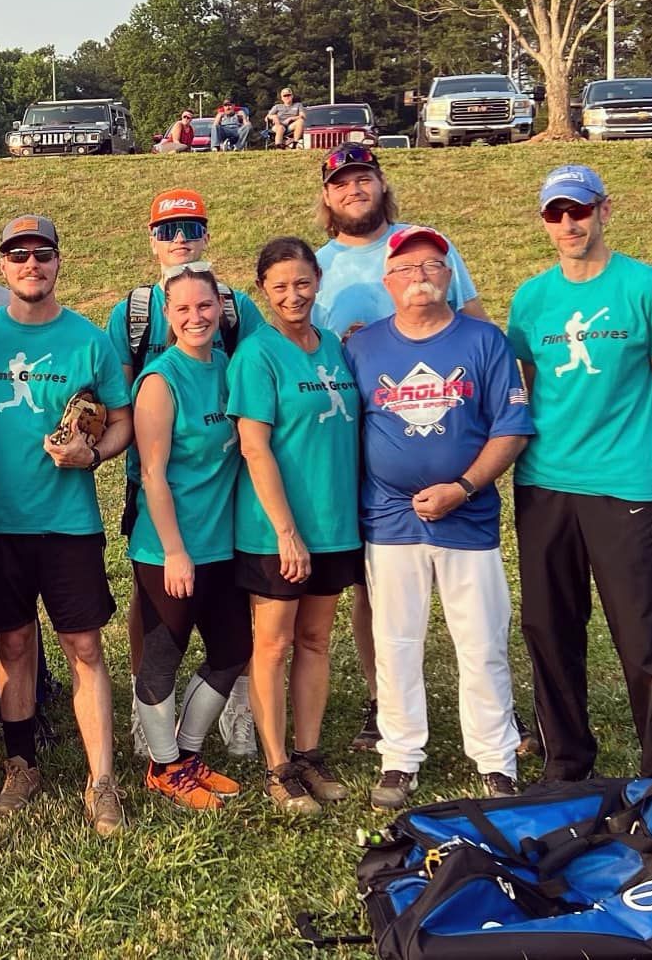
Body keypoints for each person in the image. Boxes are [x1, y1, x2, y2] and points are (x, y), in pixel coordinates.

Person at [508, 165, 652, 781]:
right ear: (544, 221)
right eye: (555, 213)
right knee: (549, 626)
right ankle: (566, 761)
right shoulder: (532, 298)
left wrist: (641, 449)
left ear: (603, 212)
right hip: (545, 483)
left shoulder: (647, 286)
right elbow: (525, 393)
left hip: (625, 483)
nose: (568, 223)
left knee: (645, 631)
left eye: (579, 210)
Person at [309, 142, 494, 755]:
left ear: (381, 184)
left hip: (436, 418)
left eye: (363, 178)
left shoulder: (425, 245)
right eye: (341, 183)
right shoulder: (321, 262)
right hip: (353, 429)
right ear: (328, 198)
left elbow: (477, 324)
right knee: (373, 583)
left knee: (465, 606)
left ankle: (488, 727)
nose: (353, 189)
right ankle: (380, 700)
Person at [342, 226, 534, 810]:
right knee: (395, 641)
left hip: (466, 517)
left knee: (480, 642)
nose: (419, 275)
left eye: (432, 265)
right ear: (389, 282)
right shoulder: (363, 347)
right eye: (406, 267)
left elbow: (512, 428)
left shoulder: (483, 341)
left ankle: (496, 758)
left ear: (449, 276)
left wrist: (464, 486)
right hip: (390, 518)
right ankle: (400, 756)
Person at [0, 215, 133, 835]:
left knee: (84, 646)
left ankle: (101, 779)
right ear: (2, 266)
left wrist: (95, 454)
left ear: (59, 261)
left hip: (67, 521)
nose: (31, 264)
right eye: (18, 255)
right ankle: (21, 765)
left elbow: (122, 419)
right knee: (12, 643)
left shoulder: (89, 340)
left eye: (42, 254)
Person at [106, 189, 264, 760]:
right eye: (167, 230)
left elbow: (261, 383)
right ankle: (157, 739)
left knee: (229, 636)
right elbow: (123, 408)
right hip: (160, 498)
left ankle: (200, 735)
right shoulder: (136, 318)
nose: (179, 239)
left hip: (224, 505)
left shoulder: (237, 311)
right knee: (158, 629)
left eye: (191, 227)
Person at [228, 237, 360, 815]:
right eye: (279, 286)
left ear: (318, 282)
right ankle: (277, 764)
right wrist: (286, 531)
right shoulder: (256, 355)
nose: (292, 295)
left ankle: (309, 752)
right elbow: (254, 448)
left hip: (334, 523)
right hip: (274, 530)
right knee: (274, 644)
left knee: (314, 641)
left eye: (302, 283)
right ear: (264, 291)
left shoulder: (332, 344)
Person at [129, 265, 250, 809]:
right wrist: (175, 550)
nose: (196, 317)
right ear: (168, 317)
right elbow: (152, 473)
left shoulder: (229, 366)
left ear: (219, 309)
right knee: (163, 657)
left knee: (232, 650)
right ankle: (162, 767)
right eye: (183, 309)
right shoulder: (160, 379)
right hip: (168, 547)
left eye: (205, 306)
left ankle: (186, 754)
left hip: (222, 542)